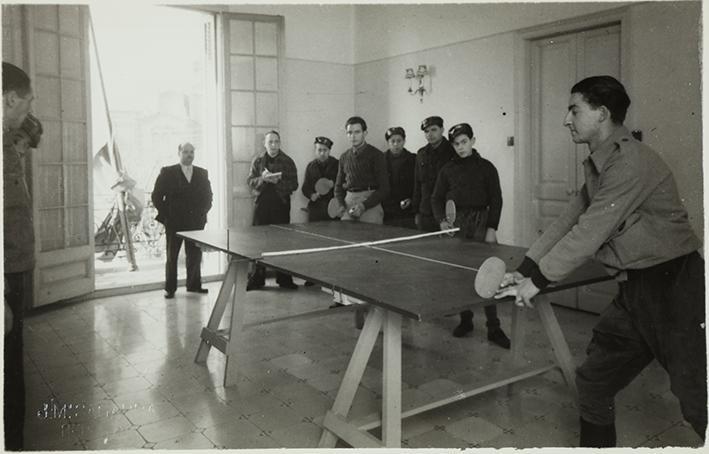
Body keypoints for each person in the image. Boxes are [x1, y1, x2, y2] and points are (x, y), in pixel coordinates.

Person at [495, 76, 705, 446]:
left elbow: (590, 231)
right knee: (594, 382)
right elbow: (568, 219)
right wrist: (524, 269)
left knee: (699, 400)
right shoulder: (599, 164)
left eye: (574, 109)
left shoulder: (630, 162)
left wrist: (538, 282)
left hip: (675, 289)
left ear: (603, 113)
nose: (566, 119)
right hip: (636, 290)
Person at [432, 123, 510, 349]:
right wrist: (442, 221)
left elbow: (496, 199)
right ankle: (466, 321)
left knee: (489, 275)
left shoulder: (487, 167)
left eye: (464, 142)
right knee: (460, 274)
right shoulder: (447, 169)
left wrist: (491, 228)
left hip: (481, 223)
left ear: (473, 141)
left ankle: (494, 327)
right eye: (456, 144)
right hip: (457, 226)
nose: (460, 147)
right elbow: (436, 199)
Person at [3, 61, 37, 451]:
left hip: (13, 270)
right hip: (5, 278)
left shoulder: (10, 136)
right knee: (9, 373)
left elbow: (35, 128)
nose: (28, 115)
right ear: (9, 98)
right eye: (25, 105)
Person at [151, 142, 213, 299]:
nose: (189, 154)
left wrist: (202, 214)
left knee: (195, 254)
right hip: (174, 222)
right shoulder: (167, 172)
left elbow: (208, 196)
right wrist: (167, 216)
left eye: (192, 152)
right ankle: (170, 289)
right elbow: (156, 196)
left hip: (195, 222)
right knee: (172, 255)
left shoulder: (202, 173)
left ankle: (194, 285)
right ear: (179, 153)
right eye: (186, 151)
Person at [246, 130, 299, 290]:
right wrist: (263, 179)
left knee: (281, 242)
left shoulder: (288, 161)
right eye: (270, 142)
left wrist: (277, 181)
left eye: (276, 142)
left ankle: (284, 279)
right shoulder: (258, 160)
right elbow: (250, 181)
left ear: (280, 143)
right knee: (258, 242)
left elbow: (294, 184)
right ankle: (257, 278)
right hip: (261, 204)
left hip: (280, 205)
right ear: (265, 143)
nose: (274, 145)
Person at [332, 116, 389, 224]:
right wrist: (340, 204)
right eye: (349, 132)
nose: (353, 136)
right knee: (346, 238)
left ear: (365, 133)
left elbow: (385, 188)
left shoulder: (377, 155)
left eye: (357, 132)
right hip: (348, 203)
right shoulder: (344, 157)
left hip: (370, 203)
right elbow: (338, 187)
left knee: (370, 238)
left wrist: (363, 206)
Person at [411, 116, 457, 232]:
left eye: (433, 130)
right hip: (425, 212)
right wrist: (416, 212)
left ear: (442, 130)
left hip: (448, 212)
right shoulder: (421, 154)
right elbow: (417, 185)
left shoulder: (453, 151)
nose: (430, 134)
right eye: (426, 131)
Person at [382, 127, 416, 229]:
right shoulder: (380, 160)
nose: (396, 144)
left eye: (399, 141)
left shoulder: (413, 159)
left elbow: (417, 184)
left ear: (404, 141)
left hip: (407, 208)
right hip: (387, 208)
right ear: (388, 142)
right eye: (392, 141)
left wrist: (411, 200)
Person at [301, 136, 339, 222]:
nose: (322, 153)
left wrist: (333, 183)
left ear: (329, 151)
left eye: (325, 150)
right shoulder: (310, 166)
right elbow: (305, 187)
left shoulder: (337, 164)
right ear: (315, 151)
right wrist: (311, 195)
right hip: (315, 209)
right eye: (319, 150)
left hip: (333, 207)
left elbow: (344, 184)